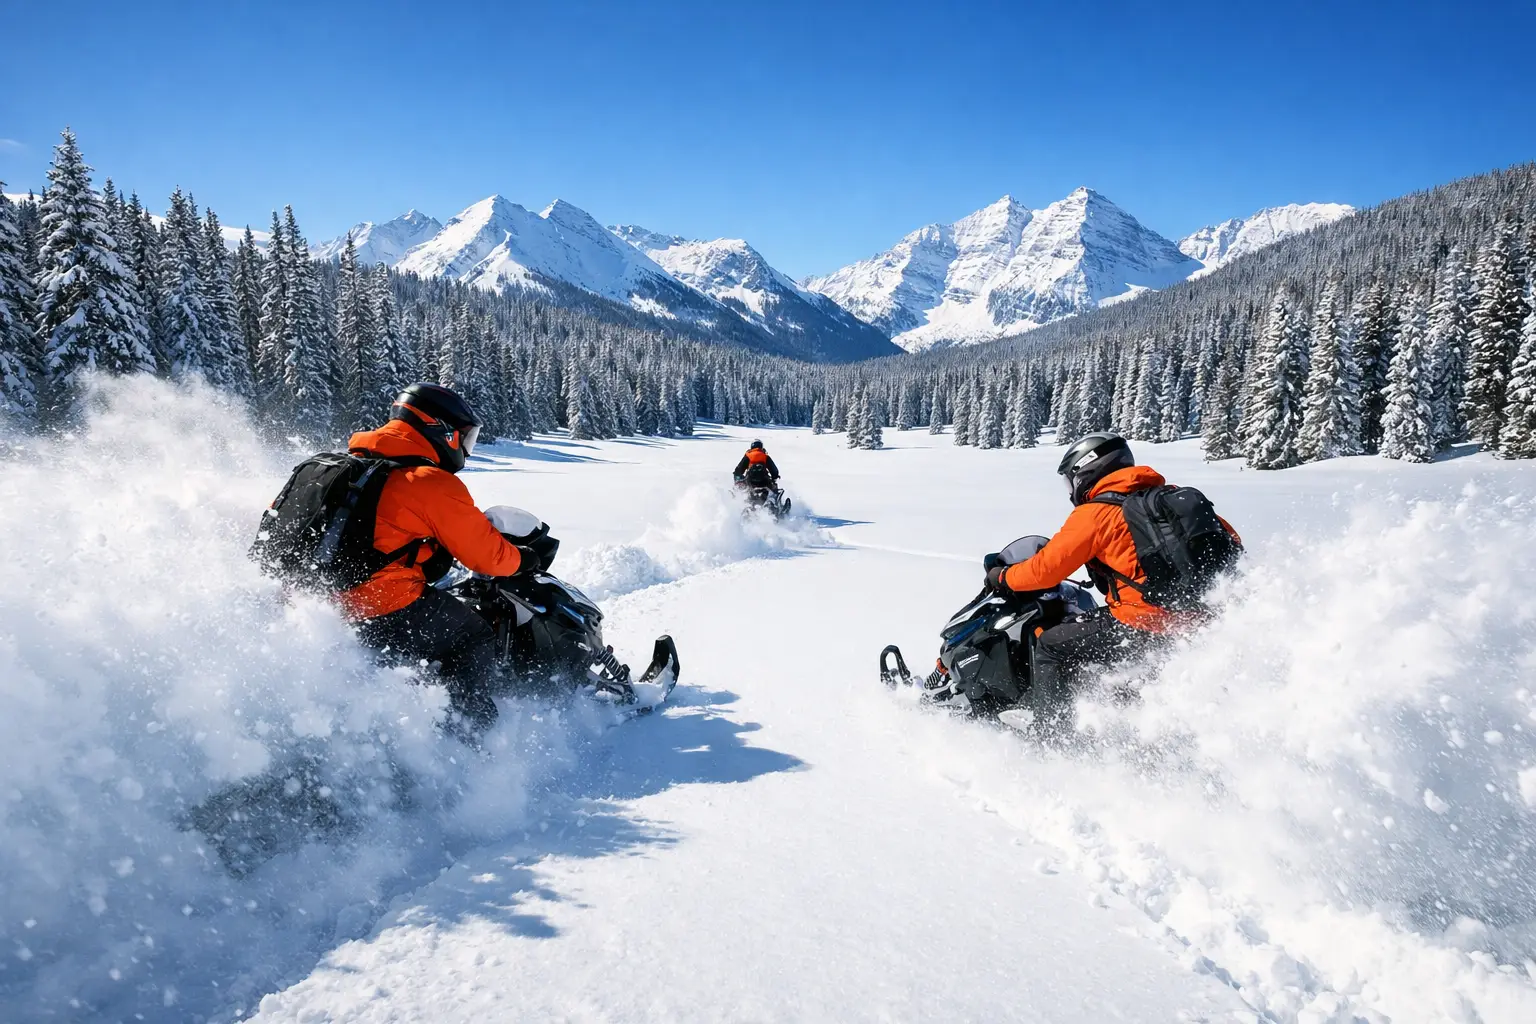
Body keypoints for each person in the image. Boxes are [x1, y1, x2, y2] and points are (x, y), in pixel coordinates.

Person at [984, 432, 1241, 724]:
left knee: (1052, 645)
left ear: (1087, 469)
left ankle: (1049, 733)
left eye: (1071, 480)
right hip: (1203, 624)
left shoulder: (1097, 513)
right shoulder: (1173, 499)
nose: (1071, 490)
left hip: (1144, 622)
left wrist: (1002, 576)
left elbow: (1044, 570)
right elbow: (1232, 546)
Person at [342, 383, 535, 730]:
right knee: (472, 635)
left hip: (311, 604)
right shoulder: (426, 480)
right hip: (378, 604)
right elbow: (487, 557)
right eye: (465, 438)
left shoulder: (340, 467)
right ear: (440, 430)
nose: (466, 449)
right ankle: (472, 736)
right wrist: (524, 560)